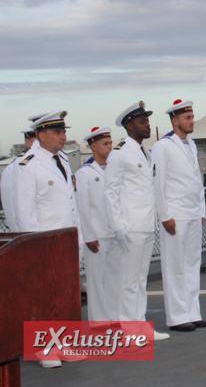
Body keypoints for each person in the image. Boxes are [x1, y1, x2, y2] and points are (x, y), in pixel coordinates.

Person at [16, 111, 84, 367]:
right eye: (57, 132)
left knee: (64, 297)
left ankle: (64, 344)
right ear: (41, 135)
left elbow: (71, 203)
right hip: (43, 242)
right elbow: (25, 212)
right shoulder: (29, 165)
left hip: (66, 240)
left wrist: (78, 235)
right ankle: (44, 349)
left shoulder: (63, 161)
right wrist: (33, 247)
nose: (63, 136)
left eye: (64, 131)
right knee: (43, 298)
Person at [104, 101, 169, 341]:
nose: (148, 125)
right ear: (130, 125)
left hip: (145, 224)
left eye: (148, 121)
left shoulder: (145, 151)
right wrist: (117, 226)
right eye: (143, 122)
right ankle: (130, 329)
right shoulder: (120, 154)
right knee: (129, 281)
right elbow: (110, 192)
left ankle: (140, 325)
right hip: (130, 226)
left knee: (140, 280)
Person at [153, 100, 206, 332]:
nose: (191, 121)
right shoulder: (163, 146)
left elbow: (196, 180)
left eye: (192, 117)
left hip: (193, 213)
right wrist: (165, 214)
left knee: (191, 264)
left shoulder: (191, 145)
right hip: (175, 213)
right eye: (187, 118)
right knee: (174, 266)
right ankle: (177, 317)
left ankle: (192, 312)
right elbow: (158, 182)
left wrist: (202, 209)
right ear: (175, 120)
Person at [77, 127, 122, 323]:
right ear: (93, 146)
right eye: (105, 144)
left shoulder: (115, 170)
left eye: (111, 143)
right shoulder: (84, 173)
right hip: (97, 234)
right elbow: (82, 207)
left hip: (115, 232)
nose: (110, 147)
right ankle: (99, 322)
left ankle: (115, 317)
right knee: (97, 281)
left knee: (115, 279)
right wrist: (88, 236)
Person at [1, 126, 39, 233]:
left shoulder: (58, 162)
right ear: (28, 143)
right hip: (35, 236)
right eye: (38, 142)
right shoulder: (13, 169)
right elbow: (13, 210)